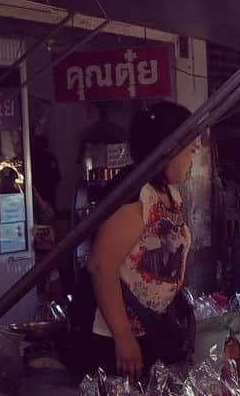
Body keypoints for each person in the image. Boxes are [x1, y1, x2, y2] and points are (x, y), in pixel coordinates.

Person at [82, 101, 197, 380]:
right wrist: (123, 337)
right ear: (167, 148)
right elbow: (100, 266)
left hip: (152, 328)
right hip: (119, 338)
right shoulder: (136, 195)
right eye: (190, 149)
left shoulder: (169, 194)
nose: (194, 156)